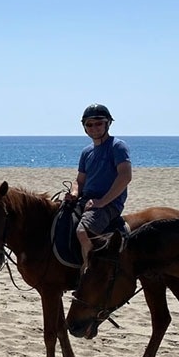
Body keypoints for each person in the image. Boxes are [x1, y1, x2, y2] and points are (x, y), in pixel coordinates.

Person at [67, 103, 132, 274]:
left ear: (108, 124)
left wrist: (102, 202)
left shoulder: (117, 146)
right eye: (89, 124)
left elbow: (125, 176)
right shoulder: (86, 152)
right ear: (84, 127)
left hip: (109, 203)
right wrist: (74, 193)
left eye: (98, 123)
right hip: (86, 199)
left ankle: (91, 268)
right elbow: (80, 180)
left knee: (82, 231)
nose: (94, 128)